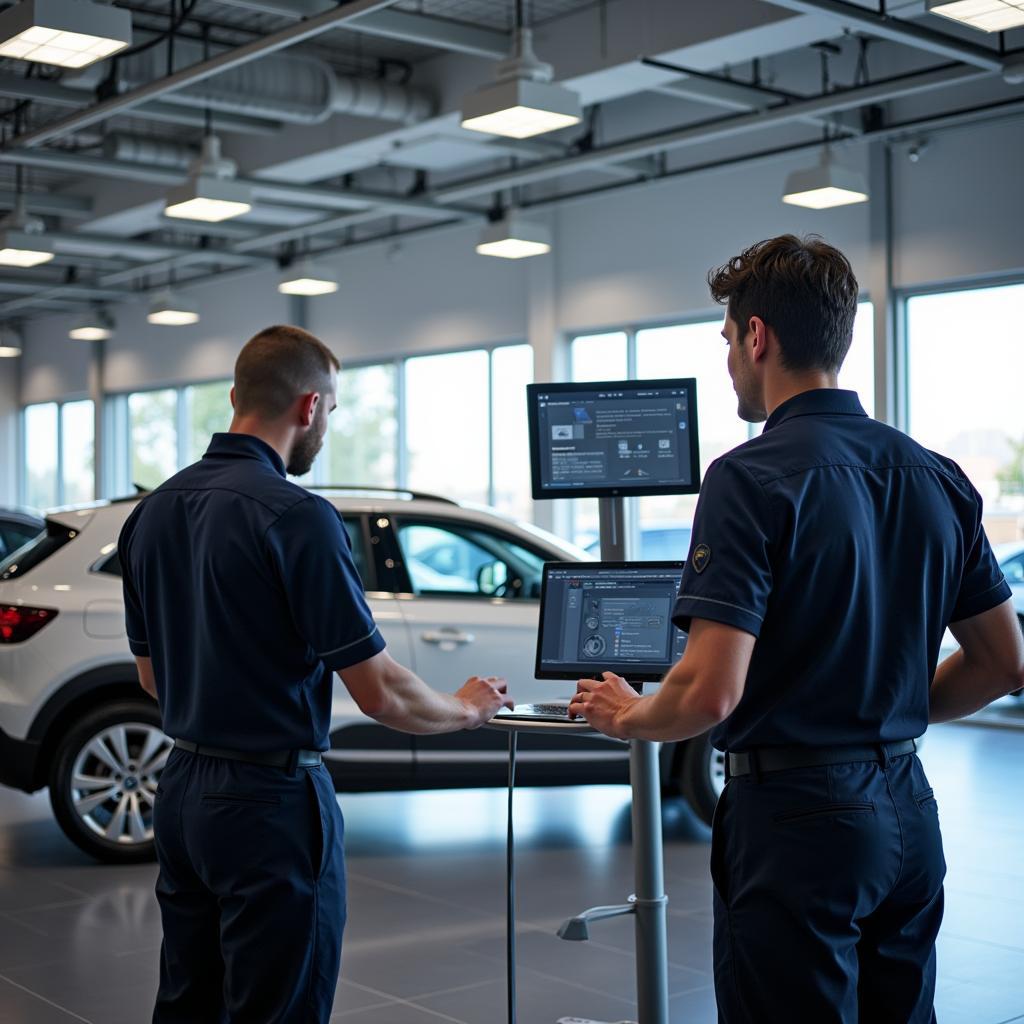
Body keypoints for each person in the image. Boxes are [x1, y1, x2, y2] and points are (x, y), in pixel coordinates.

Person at [567, 235, 1024, 1023]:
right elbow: (1003, 662)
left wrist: (629, 717)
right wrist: (886, 708)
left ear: (756, 336)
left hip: (796, 824)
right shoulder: (935, 473)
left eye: (726, 343)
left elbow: (709, 692)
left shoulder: (749, 476)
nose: (729, 365)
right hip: (910, 810)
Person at [118, 324, 513, 1024]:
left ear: (238, 395)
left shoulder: (151, 515)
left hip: (179, 793)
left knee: (188, 1002)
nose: (326, 425)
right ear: (309, 407)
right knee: (279, 1007)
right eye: (330, 411)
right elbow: (380, 689)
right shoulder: (297, 518)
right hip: (269, 801)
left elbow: (152, 679)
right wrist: (467, 709)